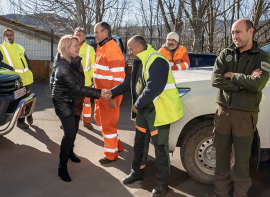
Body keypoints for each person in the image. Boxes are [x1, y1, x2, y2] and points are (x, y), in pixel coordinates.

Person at [103, 35, 184, 197]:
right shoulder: (139, 61)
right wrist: (112, 92)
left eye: (131, 49)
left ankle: (162, 184)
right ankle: (137, 172)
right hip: (143, 111)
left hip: (158, 111)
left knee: (160, 148)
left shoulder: (157, 60)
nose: (129, 52)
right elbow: (129, 83)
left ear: (140, 47)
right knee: (139, 143)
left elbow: (154, 87)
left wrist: (136, 106)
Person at [210, 19, 270, 197]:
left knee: (242, 161)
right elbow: (216, 80)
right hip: (223, 114)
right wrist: (243, 83)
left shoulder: (262, 57)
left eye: (238, 32)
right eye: (233, 32)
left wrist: (233, 75)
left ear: (250, 31)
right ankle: (220, 193)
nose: (234, 36)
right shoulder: (226, 53)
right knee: (221, 157)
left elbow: (258, 83)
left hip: (245, 116)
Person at [52, 35, 106, 182]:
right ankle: (61, 167)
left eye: (78, 45)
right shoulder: (63, 67)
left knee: (74, 129)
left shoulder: (75, 62)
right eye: (75, 45)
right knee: (69, 133)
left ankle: (70, 153)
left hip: (74, 101)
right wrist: (100, 93)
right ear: (66, 48)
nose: (78, 47)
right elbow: (77, 88)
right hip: (63, 102)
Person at [93, 22, 125, 164]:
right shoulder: (102, 47)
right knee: (99, 119)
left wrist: (114, 96)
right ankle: (117, 145)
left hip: (109, 95)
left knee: (108, 125)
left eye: (96, 32)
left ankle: (111, 155)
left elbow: (119, 78)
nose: (95, 35)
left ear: (105, 32)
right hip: (100, 95)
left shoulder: (111, 48)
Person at [0, 28, 34, 129]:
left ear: (14, 36)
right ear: (3, 37)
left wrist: (30, 71)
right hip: (14, 80)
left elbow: (26, 61)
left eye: (11, 35)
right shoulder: (1, 48)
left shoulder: (20, 47)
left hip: (25, 78)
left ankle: (28, 114)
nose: (9, 37)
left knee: (27, 99)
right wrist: (11, 69)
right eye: (7, 35)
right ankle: (21, 121)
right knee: (19, 101)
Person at [74, 27, 95, 130]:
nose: (77, 36)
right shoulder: (70, 47)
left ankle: (86, 122)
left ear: (84, 37)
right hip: (73, 81)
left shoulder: (89, 49)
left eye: (79, 35)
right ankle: (70, 122)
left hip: (86, 81)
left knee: (86, 103)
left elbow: (93, 65)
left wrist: (90, 76)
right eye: (76, 34)